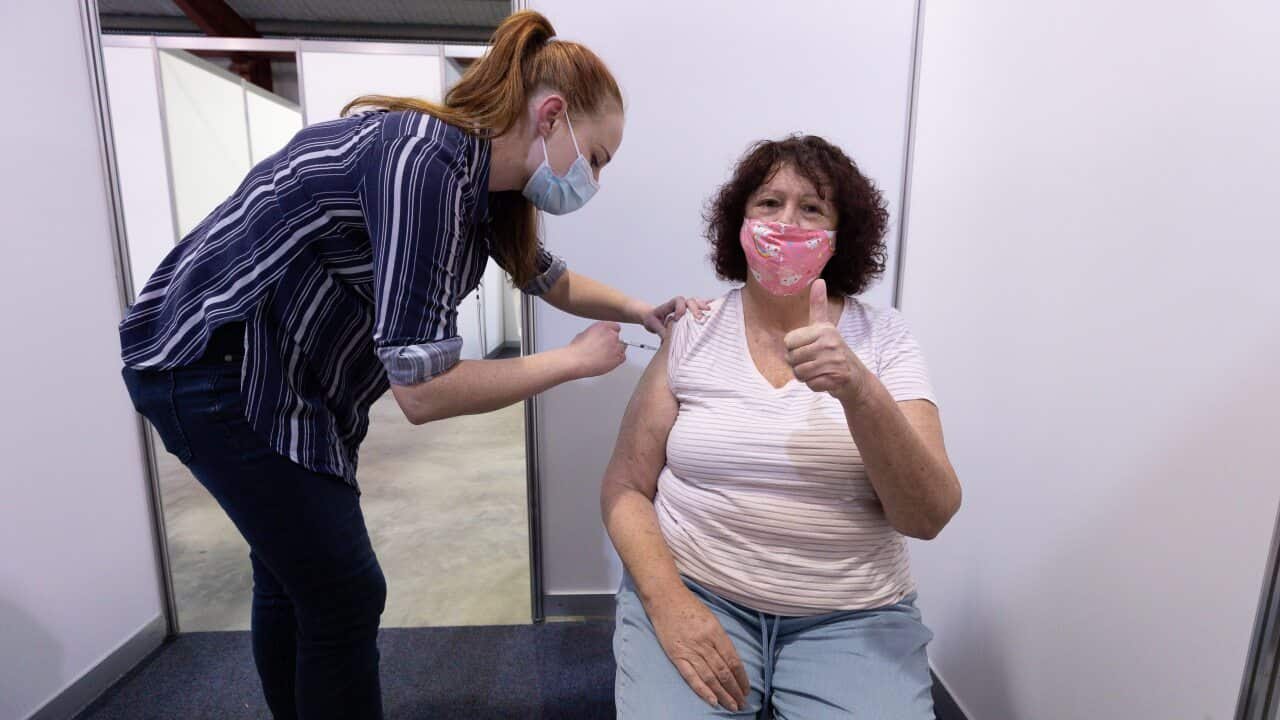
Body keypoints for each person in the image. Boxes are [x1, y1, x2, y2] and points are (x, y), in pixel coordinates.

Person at [119, 11, 706, 720]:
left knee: (291, 578)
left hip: (282, 376)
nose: (595, 179)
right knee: (343, 590)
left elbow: (547, 277)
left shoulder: (484, 186)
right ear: (551, 116)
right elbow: (422, 393)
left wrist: (644, 309)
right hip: (213, 365)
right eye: (599, 157)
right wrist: (572, 363)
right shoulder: (424, 166)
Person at [601, 135, 963, 718]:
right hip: (696, 590)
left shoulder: (885, 338)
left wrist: (858, 390)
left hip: (852, 615)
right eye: (769, 203)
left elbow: (929, 515)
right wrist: (668, 604)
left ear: (840, 236)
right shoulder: (692, 330)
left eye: (812, 208)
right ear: (739, 222)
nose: (786, 222)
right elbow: (624, 487)